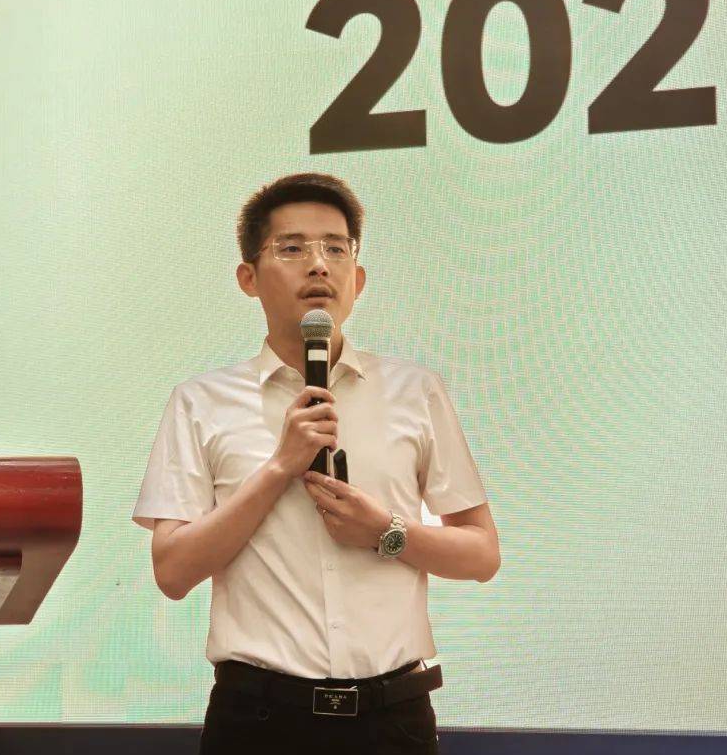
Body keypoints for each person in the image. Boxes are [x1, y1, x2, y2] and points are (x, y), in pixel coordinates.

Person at [132, 173, 500, 755]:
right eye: (292, 248)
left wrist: (387, 533)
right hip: (258, 720)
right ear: (248, 278)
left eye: (336, 248)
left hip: (394, 720)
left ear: (358, 278)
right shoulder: (200, 402)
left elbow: (482, 554)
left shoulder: (414, 391)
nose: (319, 265)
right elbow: (172, 572)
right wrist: (280, 468)